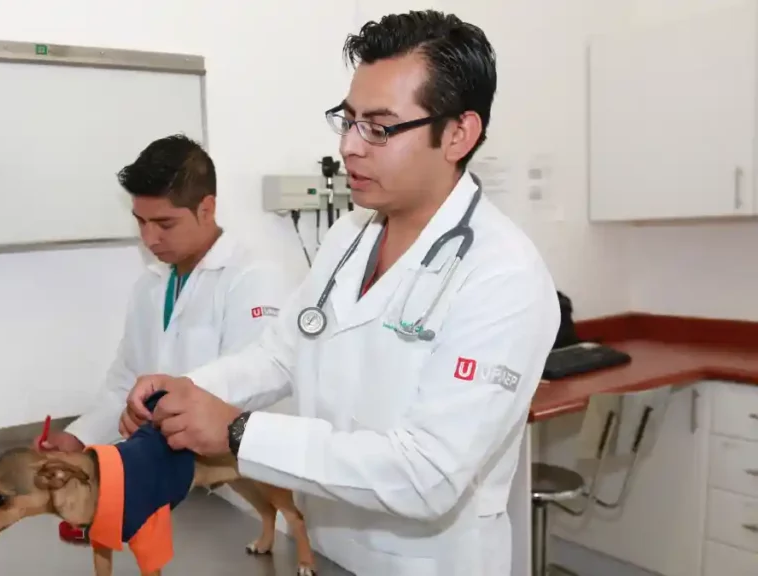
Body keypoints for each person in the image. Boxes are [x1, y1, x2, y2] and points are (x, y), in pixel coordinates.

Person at [121, 11, 561, 576]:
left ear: (458, 134)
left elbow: (426, 473)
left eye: (379, 127)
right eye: (348, 120)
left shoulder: (505, 276)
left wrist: (235, 430)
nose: (350, 146)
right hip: (328, 549)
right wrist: (192, 389)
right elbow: (283, 350)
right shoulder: (351, 234)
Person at [39, 133, 290, 453]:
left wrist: (169, 400)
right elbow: (124, 385)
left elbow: (257, 378)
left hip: (240, 475)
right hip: (175, 471)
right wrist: (79, 437)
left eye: (164, 224)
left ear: (206, 209)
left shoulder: (253, 276)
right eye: (141, 222)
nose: (149, 238)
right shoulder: (150, 287)